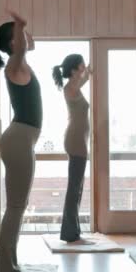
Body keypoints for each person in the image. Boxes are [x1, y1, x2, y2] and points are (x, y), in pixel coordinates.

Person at [0, 9, 42, 272]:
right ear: (13, 43)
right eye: (20, 36)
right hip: (19, 140)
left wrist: (20, 29)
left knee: (16, 206)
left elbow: (27, 46)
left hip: (21, 140)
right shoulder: (15, 64)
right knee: (15, 207)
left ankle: (9, 265)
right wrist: (20, 24)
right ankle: (6, 268)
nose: (27, 38)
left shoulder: (19, 65)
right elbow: (22, 48)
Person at [52, 54, 94, 244]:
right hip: (75, 140)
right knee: (74, 188)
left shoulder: (74, 86)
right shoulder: (70, 87)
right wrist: (87, 73)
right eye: (82, 65)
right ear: (74, 70)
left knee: (76, 188)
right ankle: (70, 233)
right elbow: (80, 81)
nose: (84, 68)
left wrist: (88, 72)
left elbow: (83, 79)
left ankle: (73, 232)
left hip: (78, 140)